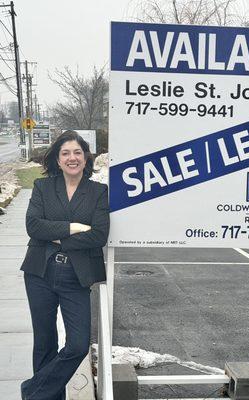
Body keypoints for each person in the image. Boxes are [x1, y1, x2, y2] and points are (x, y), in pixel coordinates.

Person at [20, 130, 110, 400]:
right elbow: (33, 226)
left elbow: (98, 235)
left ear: (86, 157)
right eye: (66, 153)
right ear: (58, 160)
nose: (72, 158)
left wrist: (56, 238)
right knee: (45, 343)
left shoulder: (98, 191)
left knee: (78, 344)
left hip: (76, 275)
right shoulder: (42, 187)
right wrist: (72, 228)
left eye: (77, 152)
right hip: (40, 273)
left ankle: (33, 392)